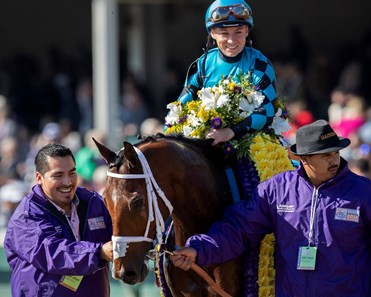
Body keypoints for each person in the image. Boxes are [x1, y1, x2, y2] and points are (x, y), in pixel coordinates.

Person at [170, 119, 371, 296]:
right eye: (325, 155)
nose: (334, 159)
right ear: (304, 158)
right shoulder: (277, 190)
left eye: (335, 152)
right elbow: (238, 229)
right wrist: (198, 250)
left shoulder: (364, 192)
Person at [3, 143, 113, 297]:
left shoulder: (94, 202)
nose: (67, 182)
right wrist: (99, 252)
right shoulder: (26, 216)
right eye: (58, 175)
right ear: (39, 178)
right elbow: (52, 253)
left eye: (72, 173)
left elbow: (122, 235)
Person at [176, 0, 276, 146]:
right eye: (224, 33)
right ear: (212, 33)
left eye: (238, 32)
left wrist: (229, 132)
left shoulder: (260, 64)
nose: (231, 40)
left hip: (253, 144)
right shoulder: (202, 65)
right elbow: (179, 109)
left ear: (247, 31)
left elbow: (267, 112)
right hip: (209, 141)